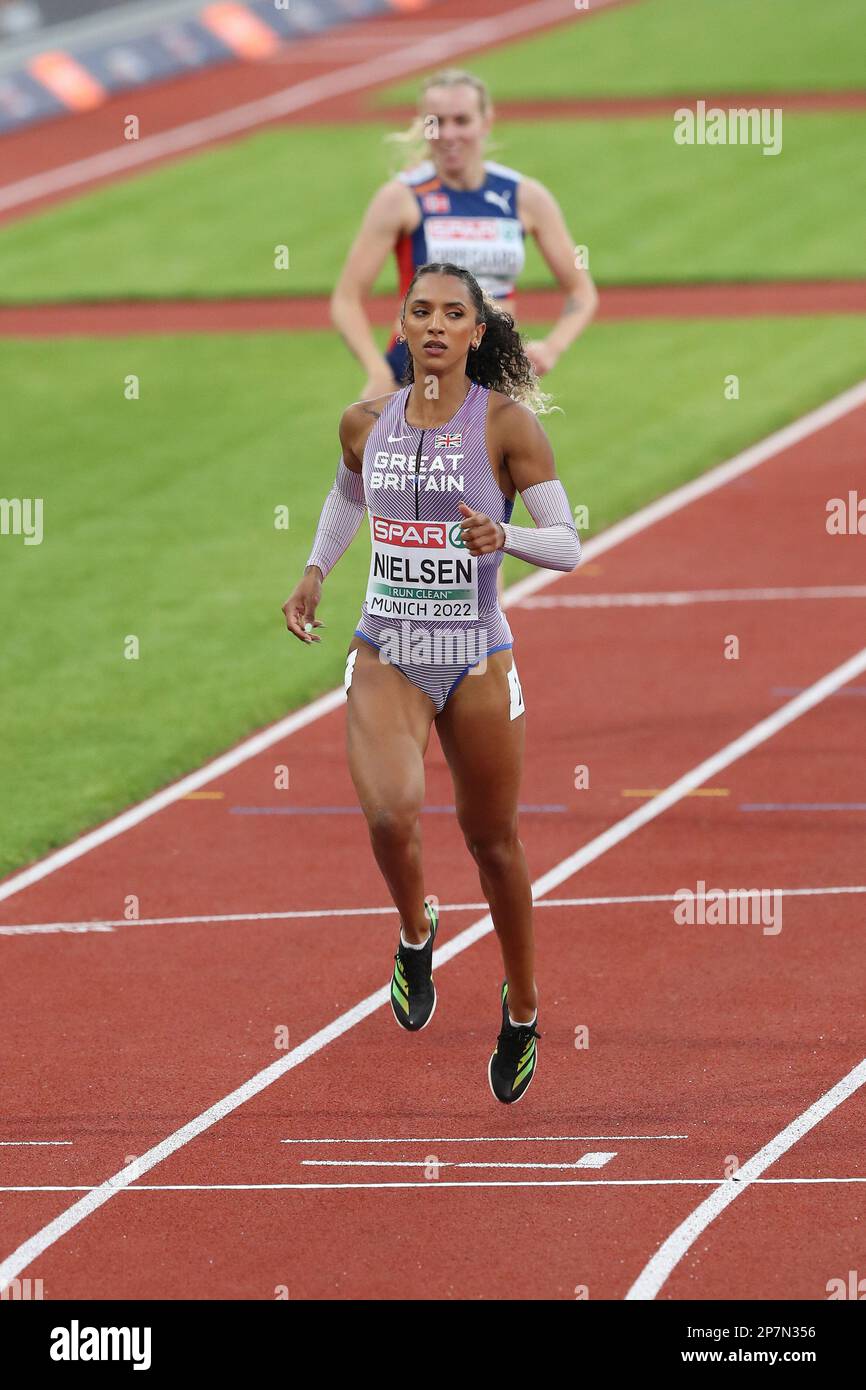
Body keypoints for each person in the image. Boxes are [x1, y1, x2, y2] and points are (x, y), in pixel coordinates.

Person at [283, 262, 581, 1104]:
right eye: (423, 311)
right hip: (389, 646)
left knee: (494, 843)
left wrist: (507, 538)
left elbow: (569, 542)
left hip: (478, 657)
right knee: (390, 810)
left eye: (456, 313)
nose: (438, 325)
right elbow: (348, 496)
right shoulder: (363, 422)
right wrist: (314, 569)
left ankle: (521, 1009)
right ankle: (417, 931)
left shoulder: (510, 429)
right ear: (404, 327)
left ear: (477, 333)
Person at [330, 66, 596, 600]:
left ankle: (478, 637)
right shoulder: (402, 198)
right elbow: (346, 298)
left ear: (485, 122)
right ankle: (411, 632)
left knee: (491, 506)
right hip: (420, 372)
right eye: (435, 121)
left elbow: (582, 292)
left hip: (495, 374)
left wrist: (553, 346)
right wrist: (377, 369)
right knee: (418, 516)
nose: (448, 133)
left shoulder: (522, 196)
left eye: (460, 120)